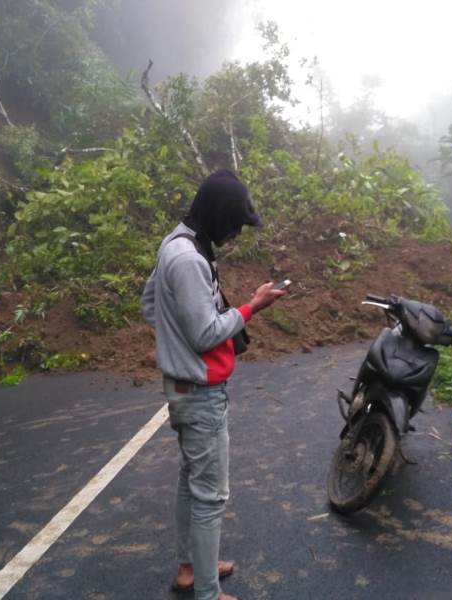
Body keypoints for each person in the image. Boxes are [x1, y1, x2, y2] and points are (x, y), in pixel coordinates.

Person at [140, 170, 285, 600]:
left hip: (189, 388)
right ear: (219, 215)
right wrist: (251, 306)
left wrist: (174, 337)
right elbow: (205, 334)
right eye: (236, 224)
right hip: (200, 393)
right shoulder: (188, 260)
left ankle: (191, 570)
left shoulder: (179, 242)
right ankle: (205, 592)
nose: (237, 233)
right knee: (210, 497)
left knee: (192, 483)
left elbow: (150, 303)